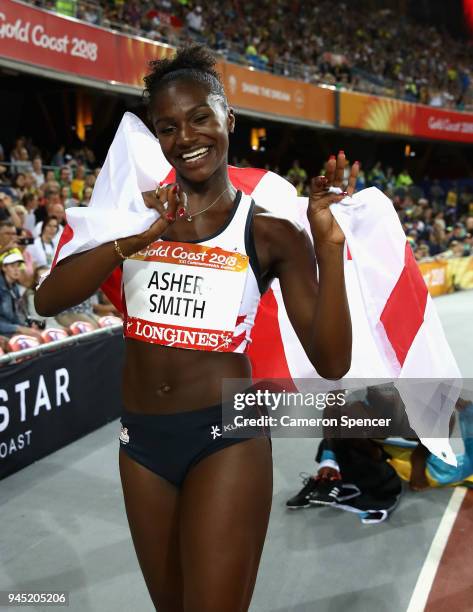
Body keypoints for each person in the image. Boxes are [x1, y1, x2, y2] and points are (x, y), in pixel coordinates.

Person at [35, 45, 354, 611]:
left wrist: (327, 247)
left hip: (227, 434)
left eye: (201, 118)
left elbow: (332, 361)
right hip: (141, 443)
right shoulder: (135, 217)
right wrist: (134, 238)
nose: (187, 136)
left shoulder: (272, 233)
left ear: (228, 120)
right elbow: (47, 299)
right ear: (156, 137)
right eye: (168, 126)